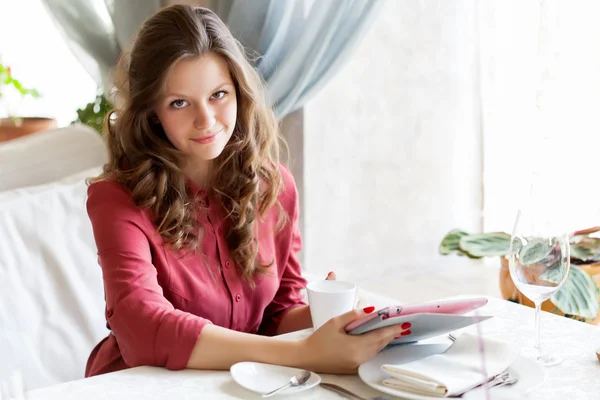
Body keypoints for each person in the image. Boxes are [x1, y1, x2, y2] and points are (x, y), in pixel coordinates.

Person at [85, 4, 410, 378]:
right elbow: (142, 327)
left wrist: (332, 318)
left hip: (243, 383)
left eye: (219, 95)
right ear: (152, 112)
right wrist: (306, 353)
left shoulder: (275, 186)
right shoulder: (116, 199)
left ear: (239, 91)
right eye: (179, 103)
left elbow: (276, 316)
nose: (206, 120)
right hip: (141, 386)